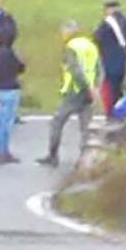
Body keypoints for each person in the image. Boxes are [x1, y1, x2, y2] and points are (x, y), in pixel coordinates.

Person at [37, 20, 101, 168]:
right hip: (89, 93)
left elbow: (75, 69)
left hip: (74, 91)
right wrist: (95, 87)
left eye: (62, 32)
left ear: (68, 32)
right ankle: (85, 159)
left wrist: (85, 87)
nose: (61, 36)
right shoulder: (91, 45)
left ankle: (52, 155)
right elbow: (98, 68)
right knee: (86, 126)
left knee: (57, 122)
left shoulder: (71, 47)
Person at [0, 33, 26, 165]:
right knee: (6, 123)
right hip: (10, 89)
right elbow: (21, 67)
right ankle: (3, 152)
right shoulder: (9, 54)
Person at [93, 0, 126, 116]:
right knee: (119, 88)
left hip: (109, 60)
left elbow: (97, 38)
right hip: (122, 59)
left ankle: (111, 114)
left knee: (109, 89)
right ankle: (121, 113)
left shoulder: (106, 24)